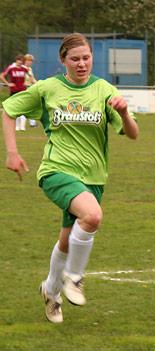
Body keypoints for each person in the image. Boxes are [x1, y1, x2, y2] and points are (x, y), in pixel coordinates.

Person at [2, 33, 139, 323]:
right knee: (92, 216)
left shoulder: (103, 89)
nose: (81, 64)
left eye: (86, 58)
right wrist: (12, 153)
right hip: (56, 171)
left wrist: (125, 113)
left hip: (93, 177)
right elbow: (8, 110)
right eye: (75, 59)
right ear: (63, 60)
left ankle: (51, 291)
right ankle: (74, 278)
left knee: (67, 240)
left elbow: (132, 133)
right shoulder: (47, 88)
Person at [0, 54, 29, 131]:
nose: (20, 62)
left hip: (22, 91)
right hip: (14, 91)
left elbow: (30, 76)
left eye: (21, 61)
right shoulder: (11, 68)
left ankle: (22, 126)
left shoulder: (24, 68)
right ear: (16, 60)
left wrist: (29, 83)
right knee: (15, 108)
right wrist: (7, 83)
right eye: (19, 60)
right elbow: (2, 76)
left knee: (23, 108)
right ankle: (16, 126)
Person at [23, 54, 38, 127]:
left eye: (31, 61)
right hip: (24, 89)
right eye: (28, 60)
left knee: (32, 106)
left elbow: (32, 79)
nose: (30, 62)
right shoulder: (22, 68)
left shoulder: (30, 69)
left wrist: (38, 83)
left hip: (29, 89)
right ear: (25, 61)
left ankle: (32, 123)